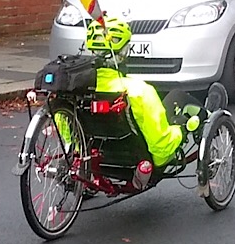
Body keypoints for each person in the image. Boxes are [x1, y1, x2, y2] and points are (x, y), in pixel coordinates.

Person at [71, 17, 200, 179]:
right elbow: (161, 147)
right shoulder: (138, 91)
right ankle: (207, 115)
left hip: (95, 157)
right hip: (140, 160)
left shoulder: (76, 90)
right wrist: (180, 131)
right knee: (177, 98)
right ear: (124, 52)